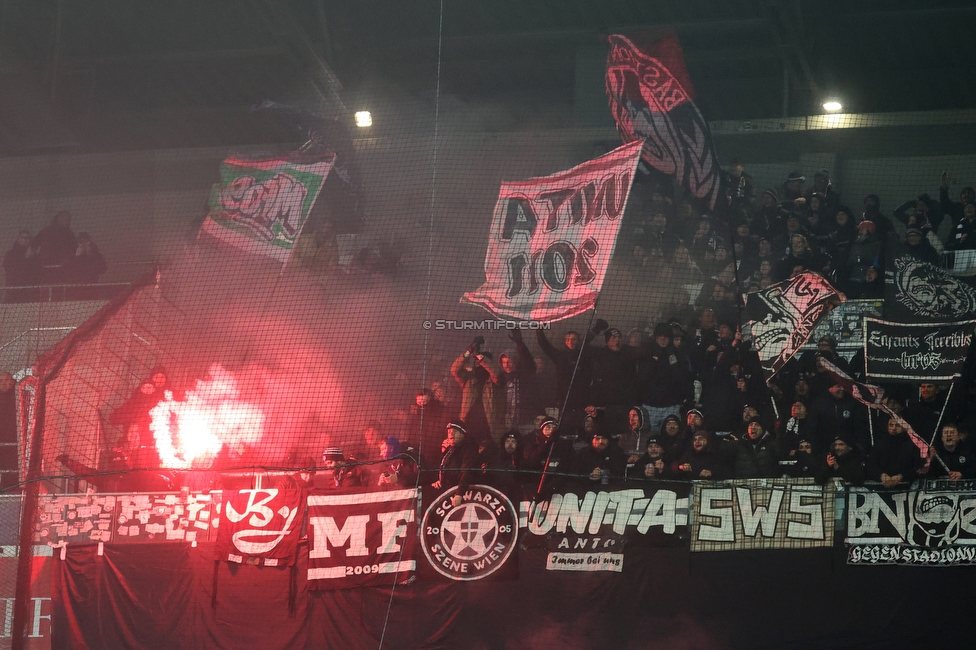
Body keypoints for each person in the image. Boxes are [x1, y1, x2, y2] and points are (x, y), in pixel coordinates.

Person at [450, 337, 504, 443]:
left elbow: (495, 372)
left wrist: (480, 356)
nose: (477, 363)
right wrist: (468, 351)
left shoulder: (494, 381)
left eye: (480, 361)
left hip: (488, 430)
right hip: (468, 428)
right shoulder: (468, 380)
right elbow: (454, 370)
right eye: (476, 361)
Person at [866, 418, 923, 488]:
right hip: (881, 486)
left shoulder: (912, 446)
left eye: (898, 425)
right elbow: (871, 464)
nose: (894, 428)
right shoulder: (880, 444)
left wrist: (901, 476)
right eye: (891, 425)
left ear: (904, 428)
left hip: (907, 487)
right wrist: (881, 475)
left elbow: (917, 467)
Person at [432, 422, 480, 495]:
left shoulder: (469, 448)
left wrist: (459, 493)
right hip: (448, 491)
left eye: (455, 432)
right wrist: (440, 481)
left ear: (462, 433)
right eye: (449, 432)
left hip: (464, 494)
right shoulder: (449, 449)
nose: (451, 434)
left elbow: (466, 472)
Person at [32, 211, 77, 284]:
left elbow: (74, 250)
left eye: (68, 220)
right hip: (49, 267)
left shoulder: (69, 234)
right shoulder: (46, 231)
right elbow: (34, 246)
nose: (68, 222)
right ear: (59, 219)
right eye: (66, 219)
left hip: (60, 268)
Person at [3, 230, 40, 302]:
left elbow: (37, 272)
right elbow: (12, 270)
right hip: (14, 292)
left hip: (29, 293)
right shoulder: (10, 254)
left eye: (28, 238)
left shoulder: (35, 257)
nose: (25, 240)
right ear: (18, 239)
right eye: (23, 237)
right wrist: (25, 258)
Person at [0, 373, 18, 490]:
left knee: (11, 464)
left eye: (6, 380)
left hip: (13, 436)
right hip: (2, 436)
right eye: (1, 381)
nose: (4, 383)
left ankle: (11, 487)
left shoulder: (18, 395)